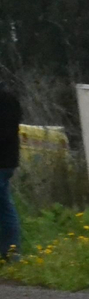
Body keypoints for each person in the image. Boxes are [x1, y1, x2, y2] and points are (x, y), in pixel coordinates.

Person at [0, 80, 20, 262]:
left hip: (2, 160)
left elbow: (4, 134)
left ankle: (10, 252)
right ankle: (11, 253)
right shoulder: (11, 98)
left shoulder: (5, 100)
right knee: (5, 207)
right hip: (8, 162)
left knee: (5, 208)